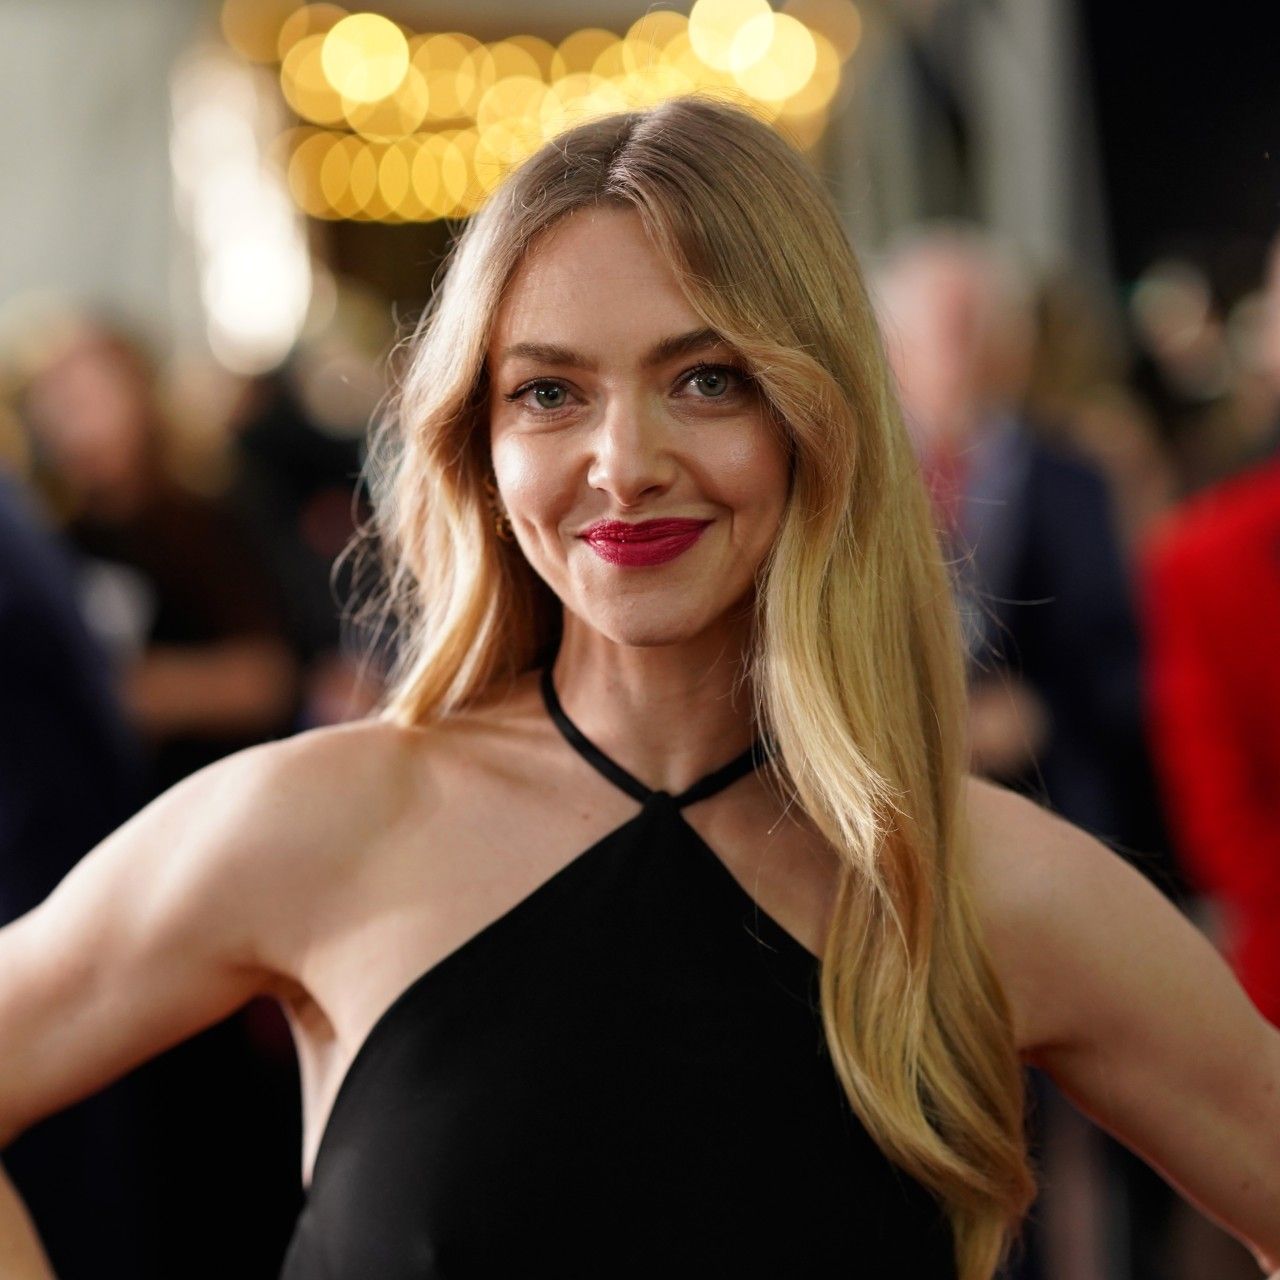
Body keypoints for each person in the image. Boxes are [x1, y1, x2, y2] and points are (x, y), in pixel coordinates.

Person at [0, 97, 1276, 1280]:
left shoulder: (979, 882)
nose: (623, 463)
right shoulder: (317, 823)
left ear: (812, 415)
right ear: (478, 443)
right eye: (549, 391)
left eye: (704, 379)